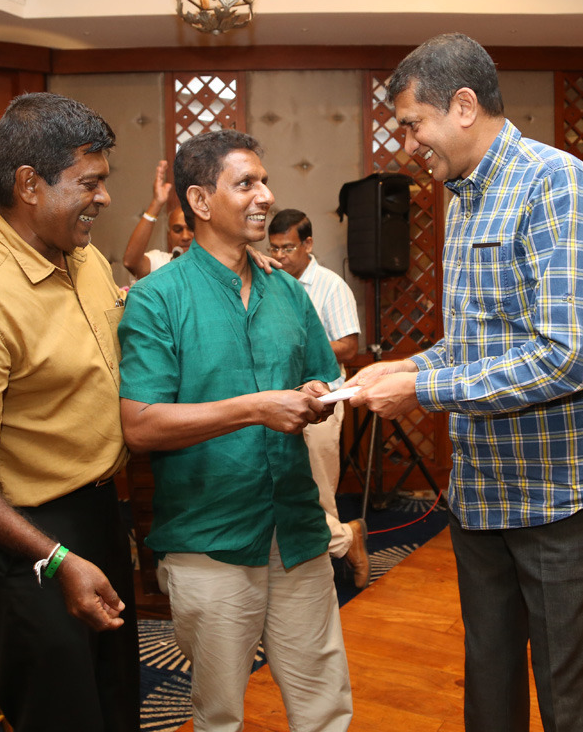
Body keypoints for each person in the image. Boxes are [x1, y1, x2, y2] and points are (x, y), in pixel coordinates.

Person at [347, 33, 583, 732]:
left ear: (463, 105)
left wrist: (422, 392)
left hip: (565, 497)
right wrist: (411, 367)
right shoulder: (461, 202)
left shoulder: (558, 184)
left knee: (575, 701)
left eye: (413, 124)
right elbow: (476, 344)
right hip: (483, 494)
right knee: (490, 687)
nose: (408, 145)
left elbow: (567, 357)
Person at [0, 92, 138, 732]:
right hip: (29, 539)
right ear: (30, 185)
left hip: (98, 512)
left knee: (116, 700)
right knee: (62, 714)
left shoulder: (78, 254)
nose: (104, 198)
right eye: (88, 183)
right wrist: (56, 558)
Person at [119, 130, 353, 732]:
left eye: (264, 182)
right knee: (219, 711)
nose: (266, 196)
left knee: (325, 703)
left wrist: (316, 395)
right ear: (200, 201)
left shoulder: (288, 291)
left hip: (297, 529)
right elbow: (139, 425)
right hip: (210, 538)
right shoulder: (157, 298)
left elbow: (320, 376)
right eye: (246, 183)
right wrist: (255, 408)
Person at [267, 208, 370, 588]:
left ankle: (327, 572)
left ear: (308, 244)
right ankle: (345, 539)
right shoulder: (269, 282)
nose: (280, 256)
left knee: (320, 493)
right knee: (286, 490)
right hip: (278, 402)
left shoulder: (330, 286)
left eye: (288, 248)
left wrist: (298, 350)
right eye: (274, 248)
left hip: (322, 404)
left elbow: (349, 346)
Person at [122, 159, 194, 281]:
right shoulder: (160, 262)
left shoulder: (214, 264)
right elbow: (131, 262)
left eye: (191, 228)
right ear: (169, 236)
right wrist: (157, 202)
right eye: (178, 230)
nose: (185, 236)